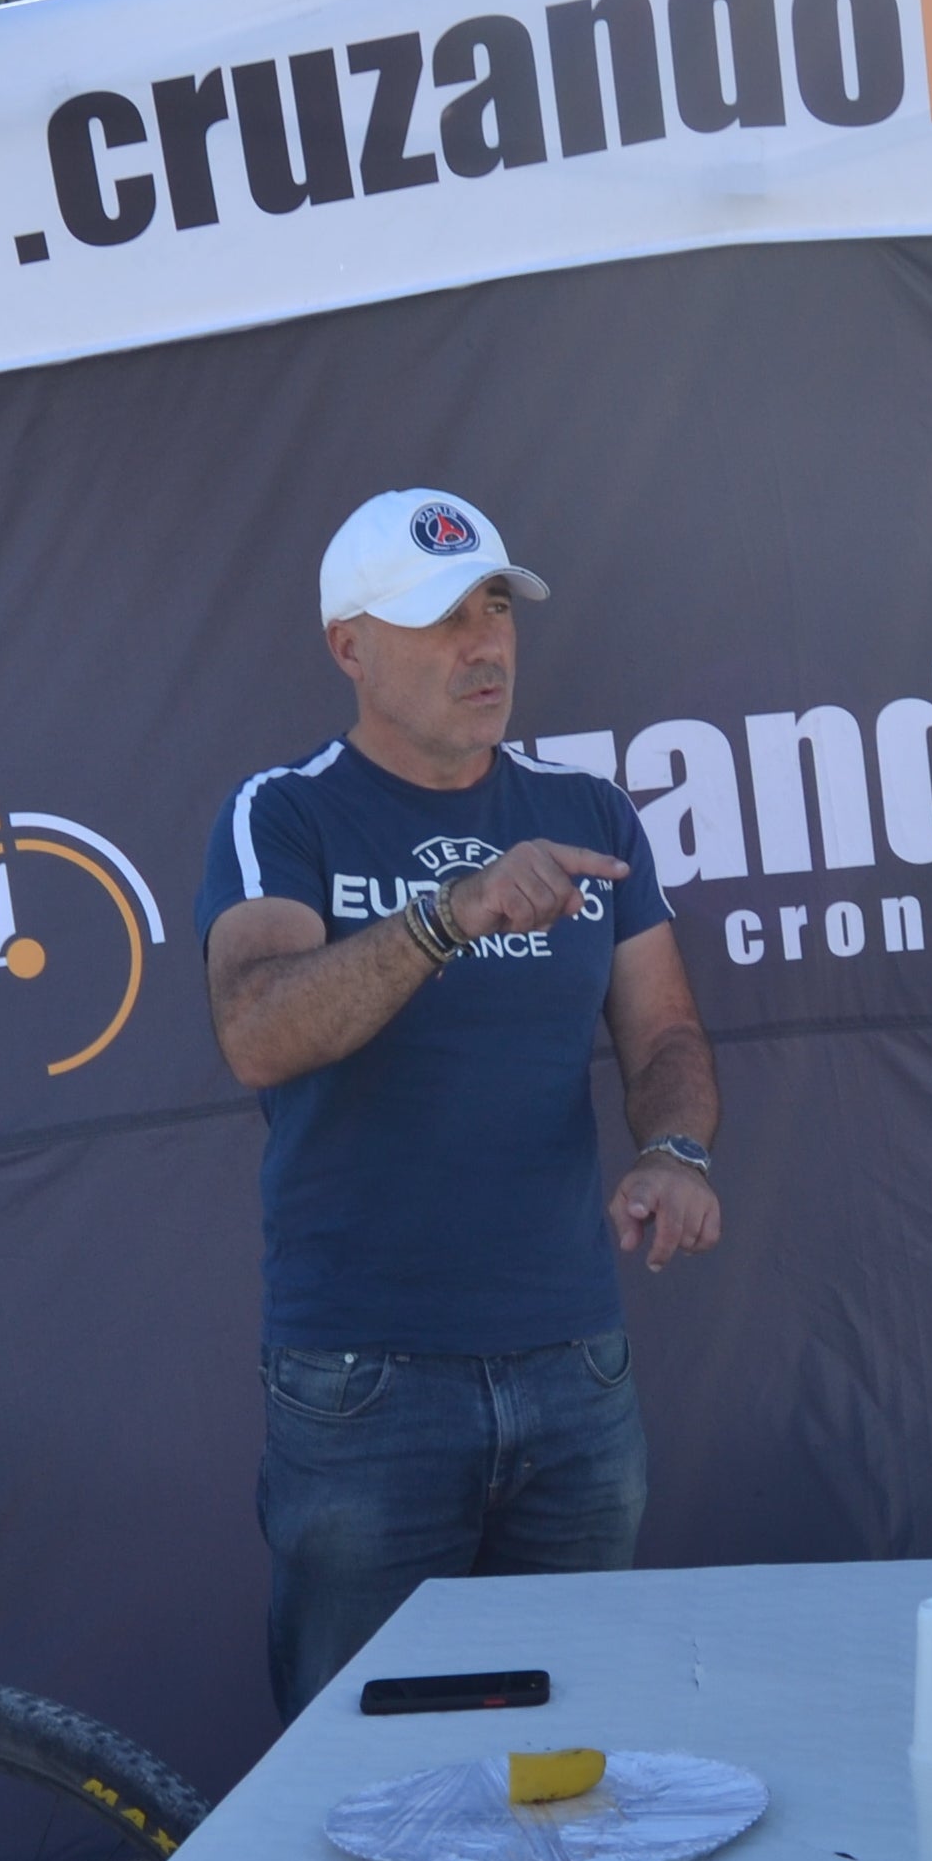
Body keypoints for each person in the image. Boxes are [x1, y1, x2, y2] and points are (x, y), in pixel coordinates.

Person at [197, 489, 723, 1716]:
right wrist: (450, 913)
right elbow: (257, 1030)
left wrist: (678, 1149)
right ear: (350, 647)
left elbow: (668, 1032)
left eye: (495, 609)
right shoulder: (287, 812)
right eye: (440, 618)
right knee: (361, 1763)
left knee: (578, 1737)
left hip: (575, 1372)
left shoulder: (588, 813)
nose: (482, 644)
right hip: (366, 1381)